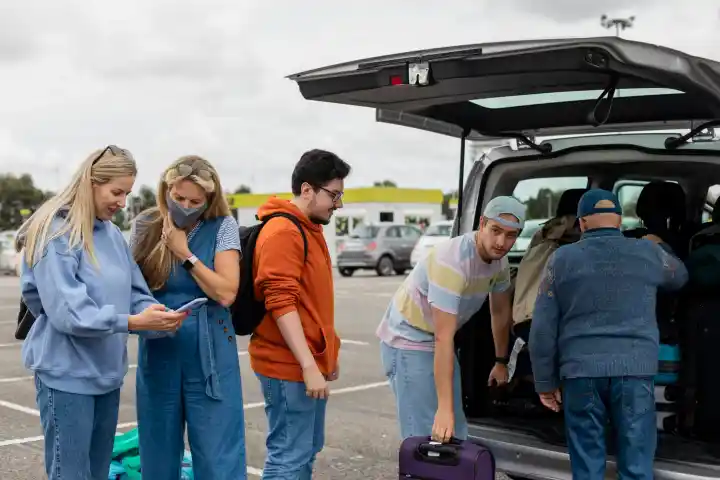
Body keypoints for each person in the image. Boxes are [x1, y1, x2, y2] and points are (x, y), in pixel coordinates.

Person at [18, 146, 187, 480]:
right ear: (91, 184)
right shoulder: (55, 234)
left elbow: (135, 292)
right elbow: (69, 312)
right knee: (71, 474)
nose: (123, 202)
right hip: (66, 376)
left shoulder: (111, 234)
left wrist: (156, 314)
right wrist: (131, 322)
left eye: (127, 193)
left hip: (106, 375)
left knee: (97, 473)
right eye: (116, 192)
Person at [530, 189, 689, 480]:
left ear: (582, 224)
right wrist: (659, 244)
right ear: (618, 221)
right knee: (637, 465)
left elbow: (542, 326)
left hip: (580, 374)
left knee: (588, 464)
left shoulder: (561, 260)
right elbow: (679, 277)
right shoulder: (648, 253)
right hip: (634, 373)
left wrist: (544, 381)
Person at [130, 155, 247, 479]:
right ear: (165, 190)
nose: (184, 206)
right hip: (160, 348)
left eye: (195, 201)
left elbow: (225, 292)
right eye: (178, 198)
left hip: (211, 352)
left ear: (210, 199)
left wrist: (185, 253)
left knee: (218, 454)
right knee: (157, 451)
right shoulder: (145, 225)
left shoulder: (223, 227)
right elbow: (128, 288)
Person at [377, 196, 526, 443]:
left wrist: (501, 361)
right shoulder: (453, 261)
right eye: (496, 231)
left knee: (455, 434)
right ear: (482, 223)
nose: (501, 243)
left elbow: (499, 312)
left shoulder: (499, 262)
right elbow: (444, 336)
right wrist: (443, 411)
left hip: (437, 340)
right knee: (425, 436)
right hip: (408, 339)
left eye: (511, 235)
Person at [250, 149, 351, 479]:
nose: (338, 204)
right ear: (307, 190)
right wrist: (309, 365)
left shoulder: (309, 229)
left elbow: (313, 302)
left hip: (304, 363)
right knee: (288, 456)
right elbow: (280, 302)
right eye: (333, 195)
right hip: (287, 366)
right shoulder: (284, 232)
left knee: (304, 450)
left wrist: (327, 355)